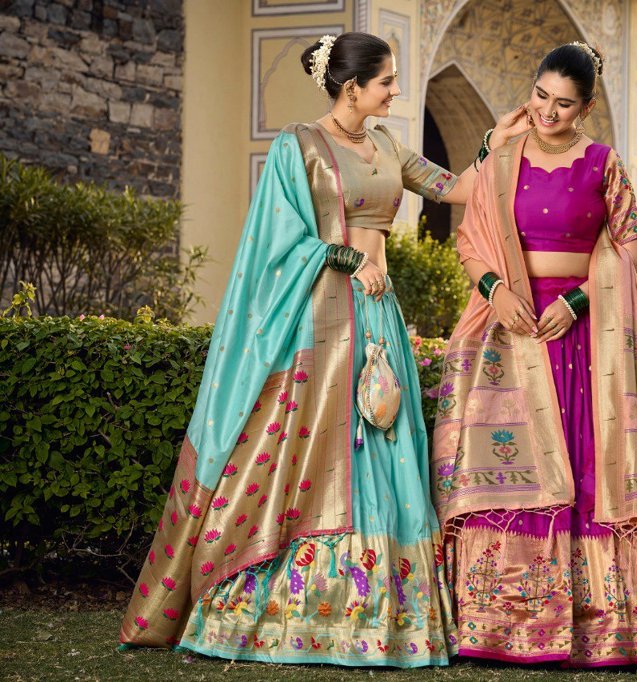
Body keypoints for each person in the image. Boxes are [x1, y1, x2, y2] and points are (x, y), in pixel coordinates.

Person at [118, 31, 527, 667]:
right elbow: (276, 239)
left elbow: (456, 187)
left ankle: (381, 619)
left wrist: (493, 145)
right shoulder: (299, 145)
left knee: (383, 439)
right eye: (386, 80)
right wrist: (341, 255)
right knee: (312, 445)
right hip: (320, 318)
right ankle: (275, 609)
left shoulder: (388, 144)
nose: (395, 90)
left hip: (378, 315)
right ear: (351, 86)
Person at [431, 42, 637, 667]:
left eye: (563, 104)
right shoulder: (502, 159)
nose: (547, 112)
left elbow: (630, 250)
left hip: (586, 340)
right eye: (540, 96)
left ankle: (605, 625)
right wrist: (495, 291)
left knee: (591, 470)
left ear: (585, 107)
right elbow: (471, 240)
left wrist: (581, 302)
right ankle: (502, 620)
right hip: (512, 328)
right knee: (516, 467)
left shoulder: (602, 164)